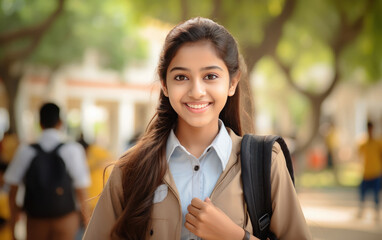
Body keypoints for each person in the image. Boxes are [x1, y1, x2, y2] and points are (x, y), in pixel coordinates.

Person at [83, 17, 311, 240]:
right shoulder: (130, 170)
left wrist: (235, 236)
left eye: (210, 76)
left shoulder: (267, 162)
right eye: (181, 77)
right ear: (164, 84)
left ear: (232, 82)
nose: (196, 91)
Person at [4, 102, 91, 240]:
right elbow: (81, 191)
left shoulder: (25, 150)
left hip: (36, 220)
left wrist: (13, 226)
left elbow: (12, 190)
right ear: (60, 123)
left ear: (40, 123)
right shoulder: (73, 150)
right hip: (66, 219)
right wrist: (88, 224)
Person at [357, 121, 382, 220]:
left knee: (376, 194)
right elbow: (359, 155)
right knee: (362, 193)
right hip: (366, 173)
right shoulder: (364, 143)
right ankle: (361, 211)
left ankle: (376, 213)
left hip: (376, 172)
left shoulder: (378, 143)